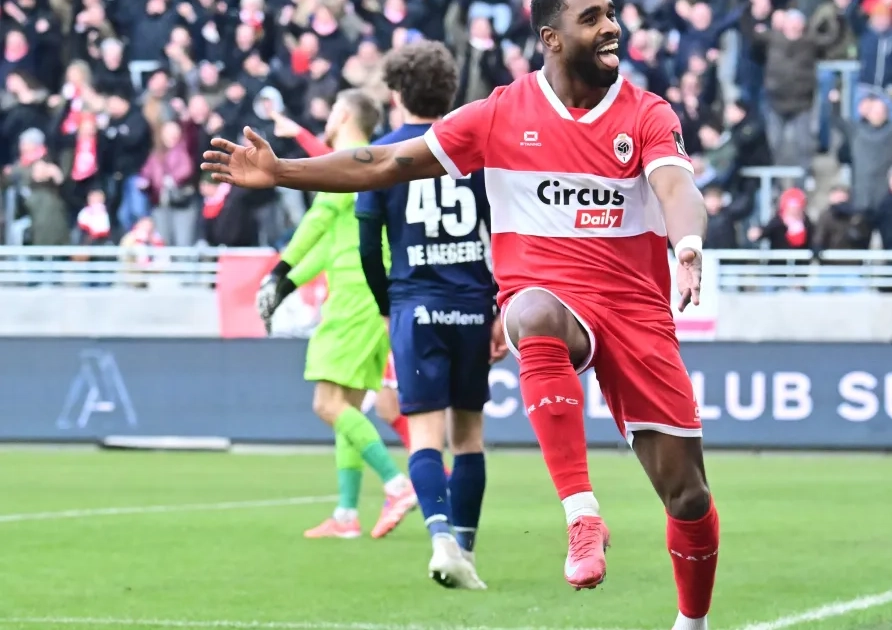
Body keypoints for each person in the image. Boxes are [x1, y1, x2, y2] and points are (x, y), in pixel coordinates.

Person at [203, 1, 717, 626]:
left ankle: (692, 621)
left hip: (635, 309)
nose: (611, 26)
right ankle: (581, 514)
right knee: (531, 314)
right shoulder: (500, 113)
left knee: (687, 496)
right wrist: (284, 170)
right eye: (592, 17)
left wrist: (687, 244)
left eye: (610, 13)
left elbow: (677, 187)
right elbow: (386, 162)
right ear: (552, 38)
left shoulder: (647, 112)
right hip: (546, 299)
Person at [357, 43, 506, 590]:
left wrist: (385, 305)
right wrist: (499, 305)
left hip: (414, 305)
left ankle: (441, 538)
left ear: (397, 93)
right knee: (468, 436)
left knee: (424, 435)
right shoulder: (474, 152)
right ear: (450, 93)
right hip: (471, 305)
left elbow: (369, 246)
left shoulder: (381, 153)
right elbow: (502, 235)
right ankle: (465, 550)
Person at [254, 89, 418, 540]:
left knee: (326, 404)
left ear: (342, 113)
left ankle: (398, 485)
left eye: (330, 110)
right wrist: (287, 285)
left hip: (354, 298)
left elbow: (316, 223)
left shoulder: (347, 162)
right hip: (371, 296)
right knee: (345, 406)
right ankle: (347, 514)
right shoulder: (370, 161)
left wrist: (279, 271)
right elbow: (329, 245)